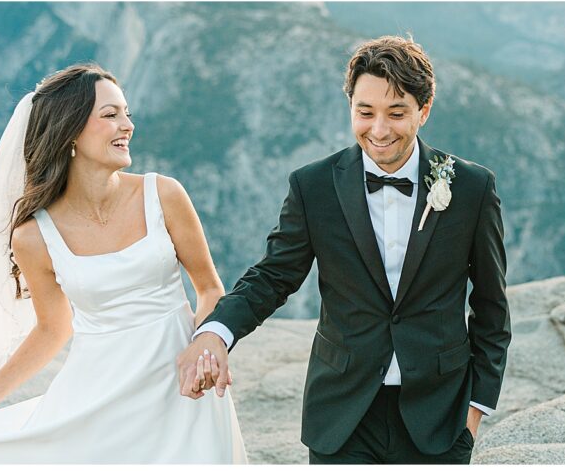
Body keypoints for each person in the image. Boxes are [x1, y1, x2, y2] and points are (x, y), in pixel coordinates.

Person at [179, 35, 510, 464]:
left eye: (396, 113)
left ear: (423, 111)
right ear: (350, 107)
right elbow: (273, 276)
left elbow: (491, 306)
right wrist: (215, 333)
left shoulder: (471, 187)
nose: (379, 130)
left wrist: (475, 409)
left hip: (440, 414)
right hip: (341, 416)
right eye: (365, 112)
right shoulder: (312, 186)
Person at [0, 64, 247, 464]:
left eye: (126, 113)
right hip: (95, 393)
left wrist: (202, 350)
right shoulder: (34, 236)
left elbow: (209, 288)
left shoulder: (164, 194)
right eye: (110, 115)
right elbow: (53, 329)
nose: (127, 125)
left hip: (181, 384)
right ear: (69, 131)